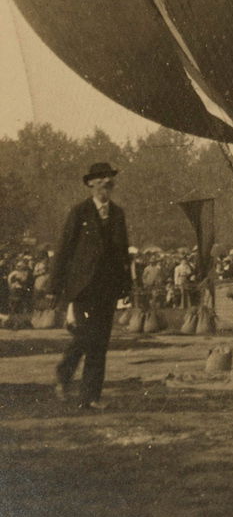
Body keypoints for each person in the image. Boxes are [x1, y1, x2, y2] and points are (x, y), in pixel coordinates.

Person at [46, 161, 132, 411]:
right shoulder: (79, 212)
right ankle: (64, 371)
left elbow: (123, 253)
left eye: (110, 179)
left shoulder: (118, 214)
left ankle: (90, 397)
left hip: (108, 288)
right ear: (91, 184)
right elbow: (63, 251)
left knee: (100, 342)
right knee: (86, 336)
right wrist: (54, 287)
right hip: (82, 288)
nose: (106, 183)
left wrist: (126, 286)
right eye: (101, 179)